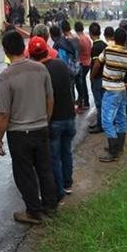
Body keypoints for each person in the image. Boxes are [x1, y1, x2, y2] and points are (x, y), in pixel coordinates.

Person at [0, 31, 58, 225]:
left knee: (24, 174)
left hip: (19, 134)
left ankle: (33, 212)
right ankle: (50, 206)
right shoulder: (41, 69)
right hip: (41, 128)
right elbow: (50, 99)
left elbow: (4, 113)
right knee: (45, 169)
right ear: (23, 48)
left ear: (5, 50)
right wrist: (44, 121)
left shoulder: (6, 76)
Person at [29, 37, 75, 199]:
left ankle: (59, 191)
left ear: (32, 55)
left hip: (54, 120)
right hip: (69, 116)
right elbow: (72, 77)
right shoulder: (61, 64)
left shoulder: (38, 72)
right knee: (66, 152)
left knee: (53, 157)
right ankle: (68, 184)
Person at [92, 27, 127, 162]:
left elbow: (98, 63)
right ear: (125, 40)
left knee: (106, 121)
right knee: (121, 119)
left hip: (110, 91)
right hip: (122, 90)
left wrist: (92, 76)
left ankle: (113, 152)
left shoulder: (108, 50)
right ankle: (119, 148)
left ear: (114, 38)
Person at [88, 22, 108, 134]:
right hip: (105, 77)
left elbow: (97, 63)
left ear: (90, 34)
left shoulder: (95, 47)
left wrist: (92, 76)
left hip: (98, 78)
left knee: (99, 103)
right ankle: (101, 123)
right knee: (104, 102)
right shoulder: (104, 45)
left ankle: (100, 125)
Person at [74, 21, 92, 112]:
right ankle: (85, 102)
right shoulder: (87, 38)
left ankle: (83, 103)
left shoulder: (78, 40)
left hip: (81, 63)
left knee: (80, 85)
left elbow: (76, 53)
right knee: (83, 83)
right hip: (88, 63)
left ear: (75, 29)